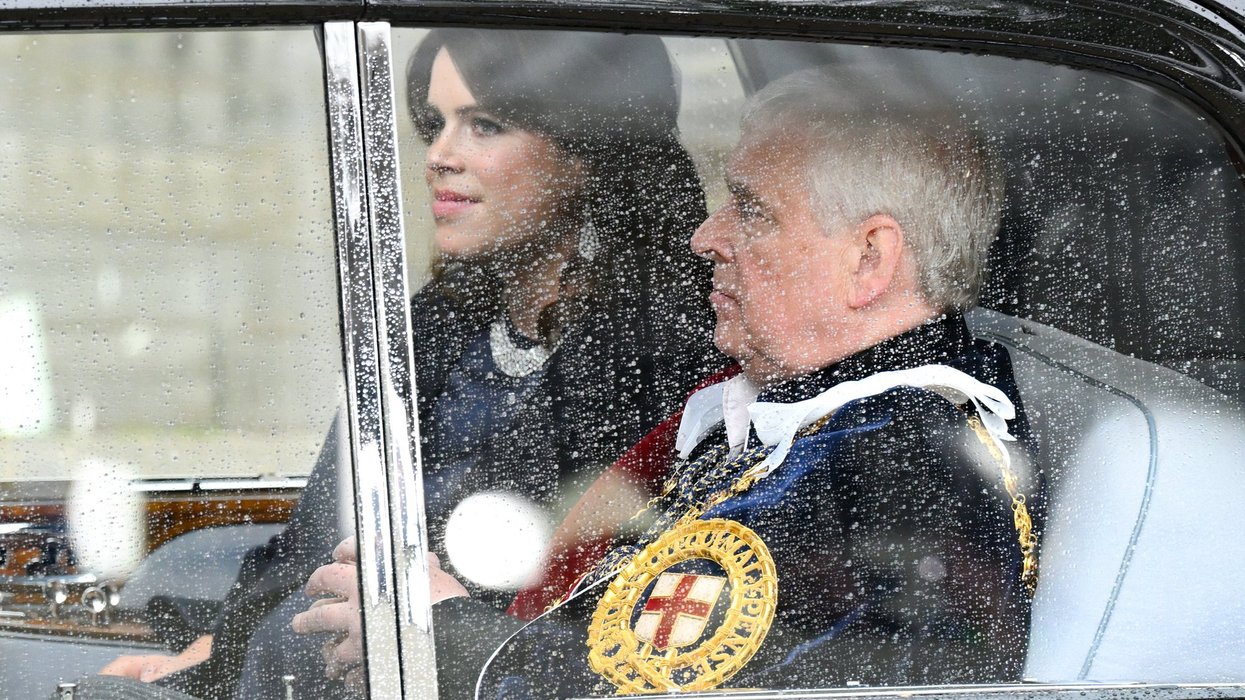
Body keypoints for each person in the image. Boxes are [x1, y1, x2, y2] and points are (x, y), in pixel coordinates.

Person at [293, 65, 1044, 698]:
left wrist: (441, 635)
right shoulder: (804, 416)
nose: (705, 238)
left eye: (751, 210)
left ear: (869, 259)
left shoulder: (906, 474)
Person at [97, 28, 718, 700]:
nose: (439, 156)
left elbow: (579, 634)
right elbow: (316, 537)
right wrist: (209, 656)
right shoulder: (432, 325)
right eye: (434, 124)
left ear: (587, 152)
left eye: (484, 125)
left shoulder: (663, 362)